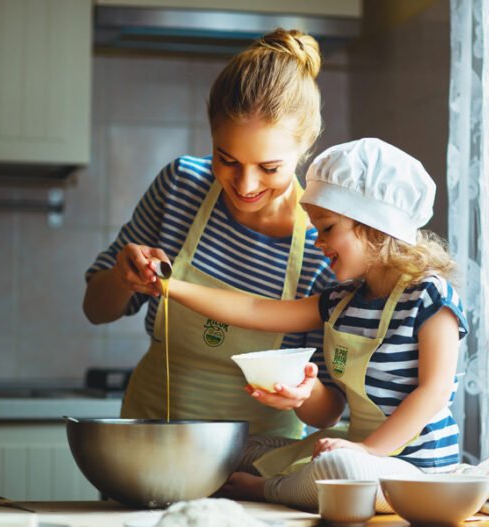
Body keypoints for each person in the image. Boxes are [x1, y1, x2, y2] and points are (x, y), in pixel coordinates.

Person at [152, 138, 469, 512]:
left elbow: (433, 392)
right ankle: (289, 480)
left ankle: (269, 490)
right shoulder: (341, 301)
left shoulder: (430, 296)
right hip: (358, 450)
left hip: (417, 472)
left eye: (328, 228)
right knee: (240, 448)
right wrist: (168, 285)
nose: (318, 242)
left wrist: (367, 450)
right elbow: (254, 310)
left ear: (374, 226)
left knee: (342, 468)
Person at [82, 28, 342, 457]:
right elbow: (95, 309)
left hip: (255, 464)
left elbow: (328, 409)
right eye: (228, 159)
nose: (245, 184)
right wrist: (122, 277)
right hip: (147, 444)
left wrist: (303, 394)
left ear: (305, 147)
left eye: (270, 167)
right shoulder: (180, 186)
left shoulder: (323, 241)